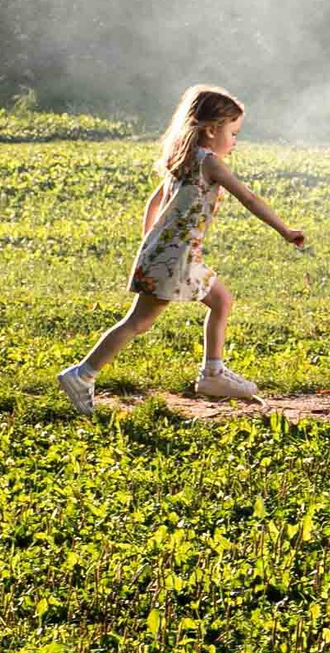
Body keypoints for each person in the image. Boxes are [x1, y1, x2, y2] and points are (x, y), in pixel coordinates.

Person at [55, 84, 306, 411]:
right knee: (138, 322)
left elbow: (154, 201)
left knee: (221, 300)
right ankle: (82, 373)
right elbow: (248, 198)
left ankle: (212, 373)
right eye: (233, 132)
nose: (235, 141)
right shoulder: (209, 163)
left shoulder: (182, 158)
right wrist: (285, 231)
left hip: (174, 255)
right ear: (212, 130)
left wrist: (152, 246)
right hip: (175, 258)